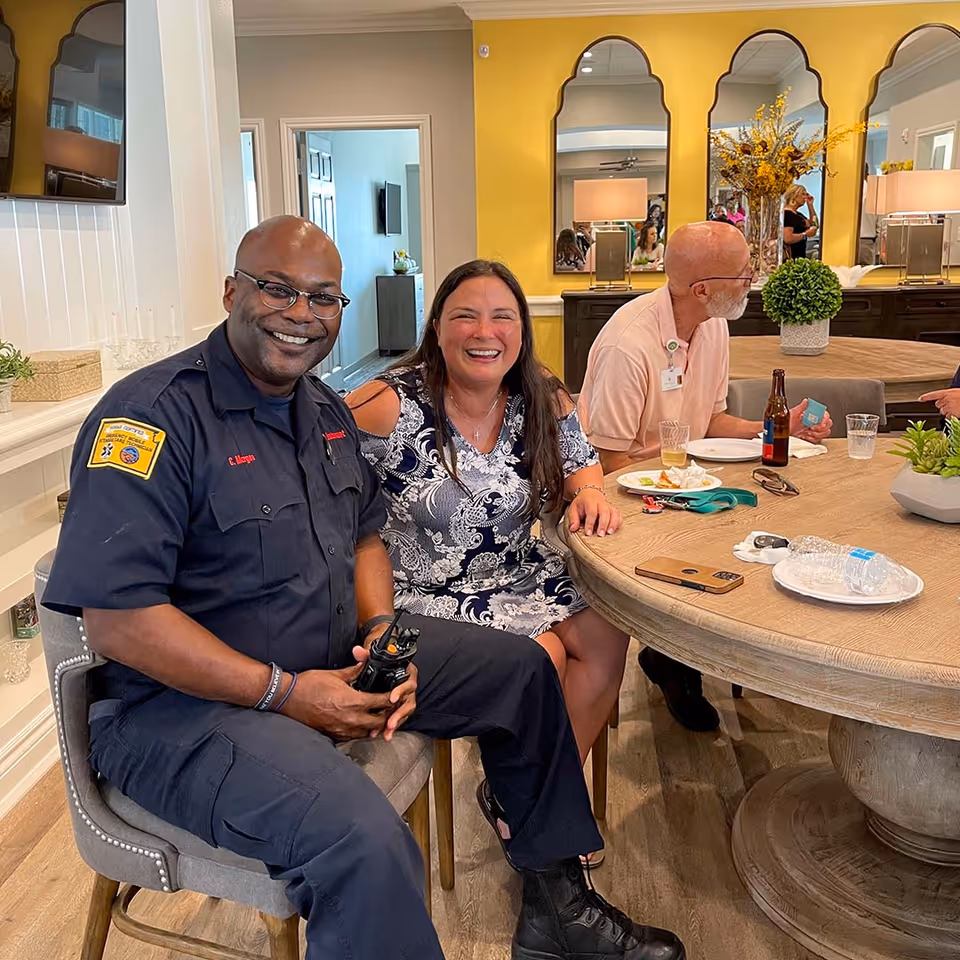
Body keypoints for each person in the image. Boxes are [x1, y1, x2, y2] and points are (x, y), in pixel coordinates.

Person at [42, 216, 685, 960]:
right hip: (184, 714)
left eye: (323, 298)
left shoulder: (322, 410)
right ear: (230, 292)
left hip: (336, 651)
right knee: (364, 842)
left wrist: (381, 626)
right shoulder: (151, 418)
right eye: (277, 289)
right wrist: (287, 691)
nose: (301, 314)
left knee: (523, 673)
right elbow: (121, 623)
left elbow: (366, 534)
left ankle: (555, 908)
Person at [346, 260, 629, 868]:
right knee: (546, 658)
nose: (485, 331)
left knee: (609, 629)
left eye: (503, 316)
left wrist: (589, 494)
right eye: (465, 316)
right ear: (439, 330)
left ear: (521, 331)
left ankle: (536, 795)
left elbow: (583, 466)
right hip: (424, 592)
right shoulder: (385, 403)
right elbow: (326, 487)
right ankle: (536, 809)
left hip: (517, 573)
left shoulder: (541, 393)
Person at [577, 220, 832, 733]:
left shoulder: (712, 325)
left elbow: (712, 422)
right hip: (622, 492)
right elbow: (602, 459)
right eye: (744, 274)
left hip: (687, 478)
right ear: (703, 289)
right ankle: (676, 658)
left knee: (764, 525)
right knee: (717, 531)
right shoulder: (628, 345)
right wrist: (685, 495)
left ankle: (687, 655)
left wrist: (776, 428)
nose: (753, 280)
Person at [783, 184, 818, 260]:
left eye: (806, 194)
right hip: (791, 258)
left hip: (800, 256)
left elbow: (813, 224)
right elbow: (787, 238)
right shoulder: (787, 214)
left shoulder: (798, 215)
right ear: (794, 195)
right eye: (803, 194)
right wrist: (805, 234)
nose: (805, 197)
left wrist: (810, 205)